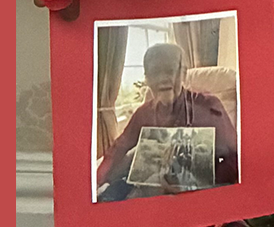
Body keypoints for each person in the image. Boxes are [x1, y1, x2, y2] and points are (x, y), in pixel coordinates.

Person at [95, 39, 239, 199]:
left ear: (183, 74)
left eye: (170, 71)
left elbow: (235, 157)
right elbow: (119, 148)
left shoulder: (208, 106)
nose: (163, 78)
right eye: (155, 72)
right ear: (147, 79)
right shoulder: (144, 113)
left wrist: (200, 184)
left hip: (200, 195)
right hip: (152, 196)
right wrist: (97, 180)